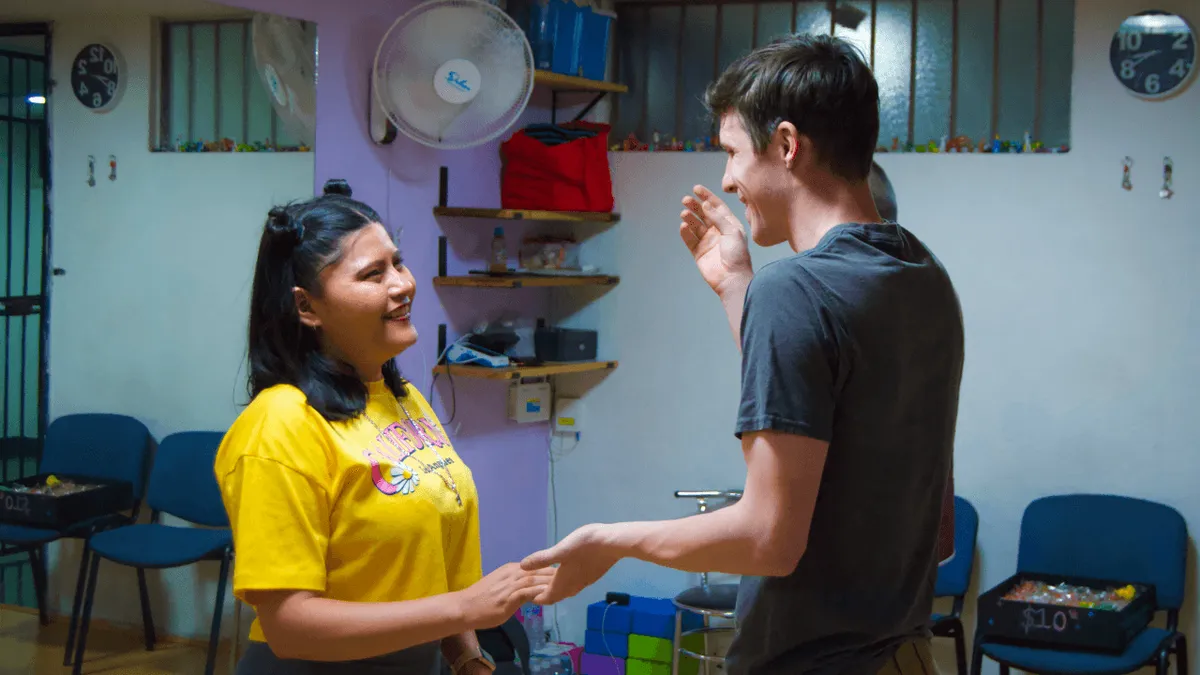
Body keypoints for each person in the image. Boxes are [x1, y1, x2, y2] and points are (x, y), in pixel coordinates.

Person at [522, 34, 963, 675]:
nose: (728, 179)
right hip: (906, 655)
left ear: (786, 146)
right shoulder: (924, 275)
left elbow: (768, 540)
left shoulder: (796, 289)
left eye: (732, 152)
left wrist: (610, 543)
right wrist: (736, 288)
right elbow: (927, 519)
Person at [214, 179, 555, 675]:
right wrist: (465, 609)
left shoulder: (406, 400)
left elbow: (436, 578)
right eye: (372, 274)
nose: (402, 284)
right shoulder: (280, 425)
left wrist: (469, 660)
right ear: (306, 307)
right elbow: (288, 625)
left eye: (397, 262)